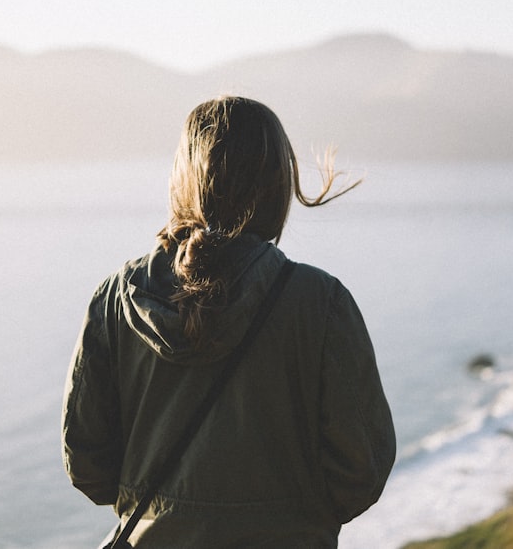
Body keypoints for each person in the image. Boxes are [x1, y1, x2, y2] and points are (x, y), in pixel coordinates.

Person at [62, 96, 395, 548]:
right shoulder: (321, 304)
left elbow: (88, 467)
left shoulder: (116, 302)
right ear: (277, 185)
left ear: (183, 180)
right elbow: (362, 472)